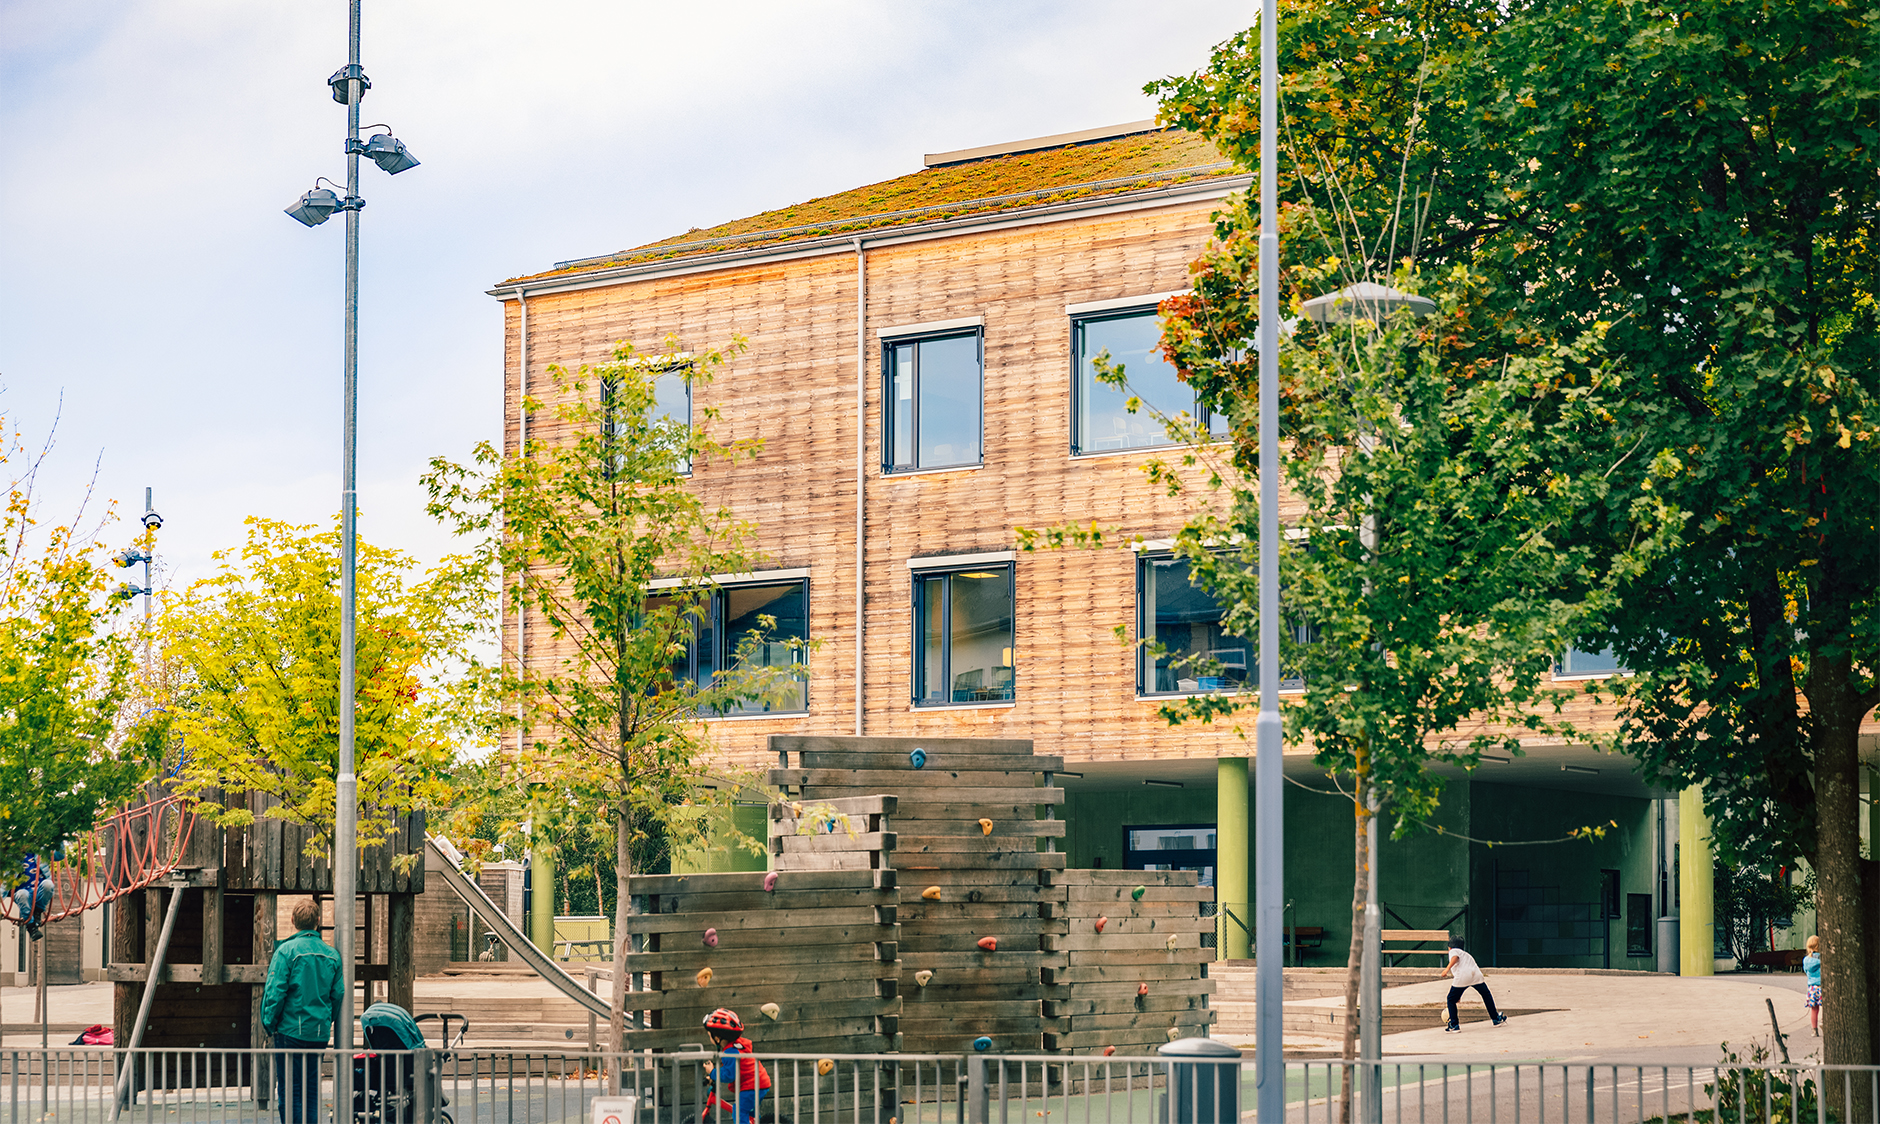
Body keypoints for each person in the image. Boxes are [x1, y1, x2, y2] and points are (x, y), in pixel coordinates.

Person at [260, 899, 342, 1124]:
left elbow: (275, 993)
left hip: (289, 1031)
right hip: (317, 1032)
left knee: (289, 1089)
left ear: (293, 920)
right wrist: (325, 1020)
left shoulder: (286, 951)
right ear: (318, 921)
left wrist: (269, 1023)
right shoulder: (333, 955)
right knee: (311, 1088)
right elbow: (337, 995)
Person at [703, 1008, 771, 1124]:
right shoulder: (737, 1045)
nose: (710, 1038)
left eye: (710, 1035)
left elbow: (729, 1075)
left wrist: (712, 1072)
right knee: (750, 1113)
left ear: (717, 1038)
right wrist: (713, 1077)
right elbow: (731, 1069)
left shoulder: (730, 1052)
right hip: (759, 1083)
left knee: (739, 1112)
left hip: (751, 1086)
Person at [1439, 936, 1508, 1032]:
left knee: (1450, 999)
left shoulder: (1453, 951)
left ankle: (1454, 1025)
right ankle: (1496, 1019)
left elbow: (1455, 958)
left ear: (1449, 947)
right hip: (1476, 975)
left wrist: (1446, 969)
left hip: (1463, 977)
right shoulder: (1466, 954)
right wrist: (1458, 994)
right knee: (1486, 995)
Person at [12, 854, 54, 941]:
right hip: (22, 890)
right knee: (22, 895)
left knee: (48, 885)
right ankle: (31, 927)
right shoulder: (14, 853)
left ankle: (37, 911)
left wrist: (59, 841)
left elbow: (59, 856)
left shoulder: (41, 850)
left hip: (38, 890)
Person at [1802, 935, 1822, 1036]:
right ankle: (1825, 1025)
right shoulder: (1822, 959)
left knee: (1814, 1009)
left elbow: (1806, 971)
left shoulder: (1806, 960)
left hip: (1812, 987)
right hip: (1822, 986)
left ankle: (1814, 1030)